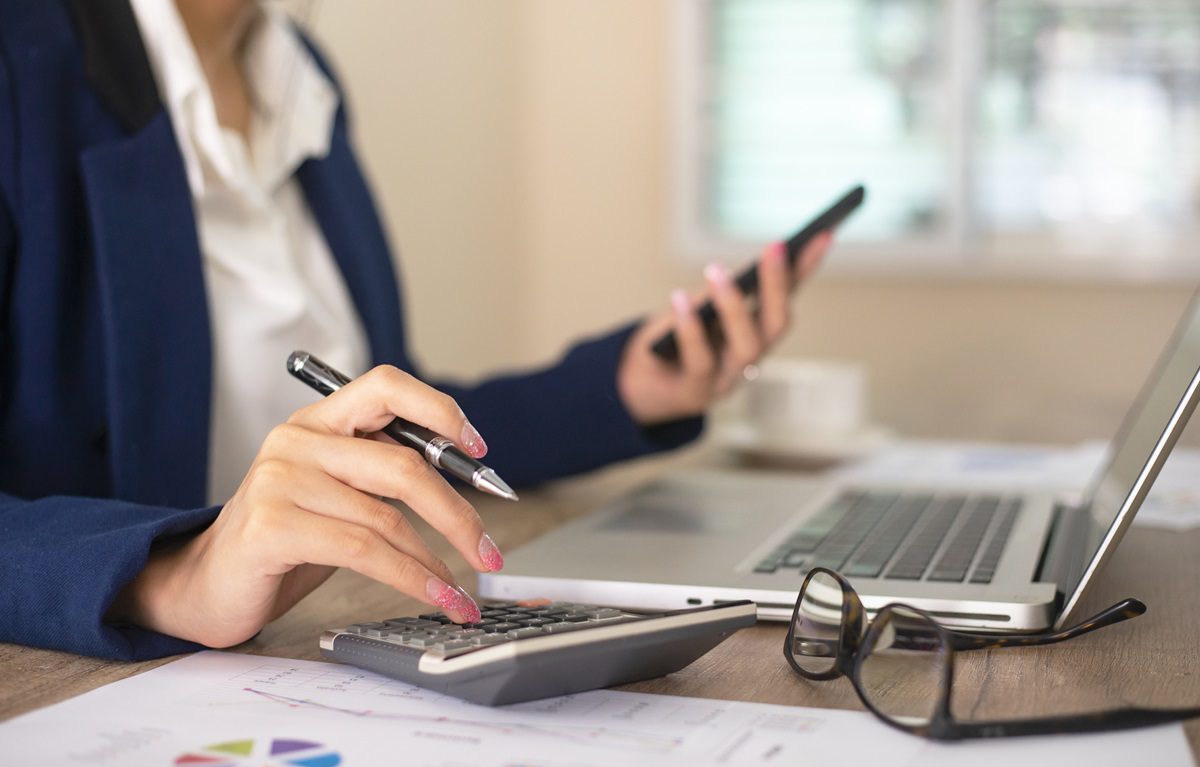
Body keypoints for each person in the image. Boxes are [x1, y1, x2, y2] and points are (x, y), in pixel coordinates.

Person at [0, 0, 832, 660]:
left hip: (323, 639)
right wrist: (174, 574)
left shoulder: (300, 78)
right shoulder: (21, 59)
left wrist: (625, 388)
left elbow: (395, 427)